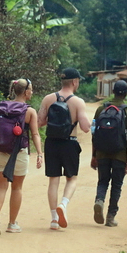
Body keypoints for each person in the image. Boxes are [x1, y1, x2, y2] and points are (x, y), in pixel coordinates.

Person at [37, 67, 91, 231]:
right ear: (75, 82)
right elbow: (86, 127)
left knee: (53, 180)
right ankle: (64, 204)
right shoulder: (78, 102)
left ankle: (54, 219)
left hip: (51, 143)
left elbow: (40, 122)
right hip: (70, 142)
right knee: (71, 178)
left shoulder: (48, 99)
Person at [0, 78, 42, 235]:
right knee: (17, 188)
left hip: (0, 151)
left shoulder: (3, 107)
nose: (32, 92)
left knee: (0, 187)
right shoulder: (29, 111)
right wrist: (40, 153)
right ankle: (12, 224)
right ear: (26, 92)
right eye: (31, 90)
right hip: (18, 153)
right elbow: (35, 134)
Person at [91, 79, 127, 227]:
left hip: (102, 153)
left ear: (113, 91)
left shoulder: (101, 109)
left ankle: (99, 200)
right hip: (120, 155)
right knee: (117, 185)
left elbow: (94, 133)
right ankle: (110, 217)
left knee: (103, 181)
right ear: (126, 94)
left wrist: (93, 155)